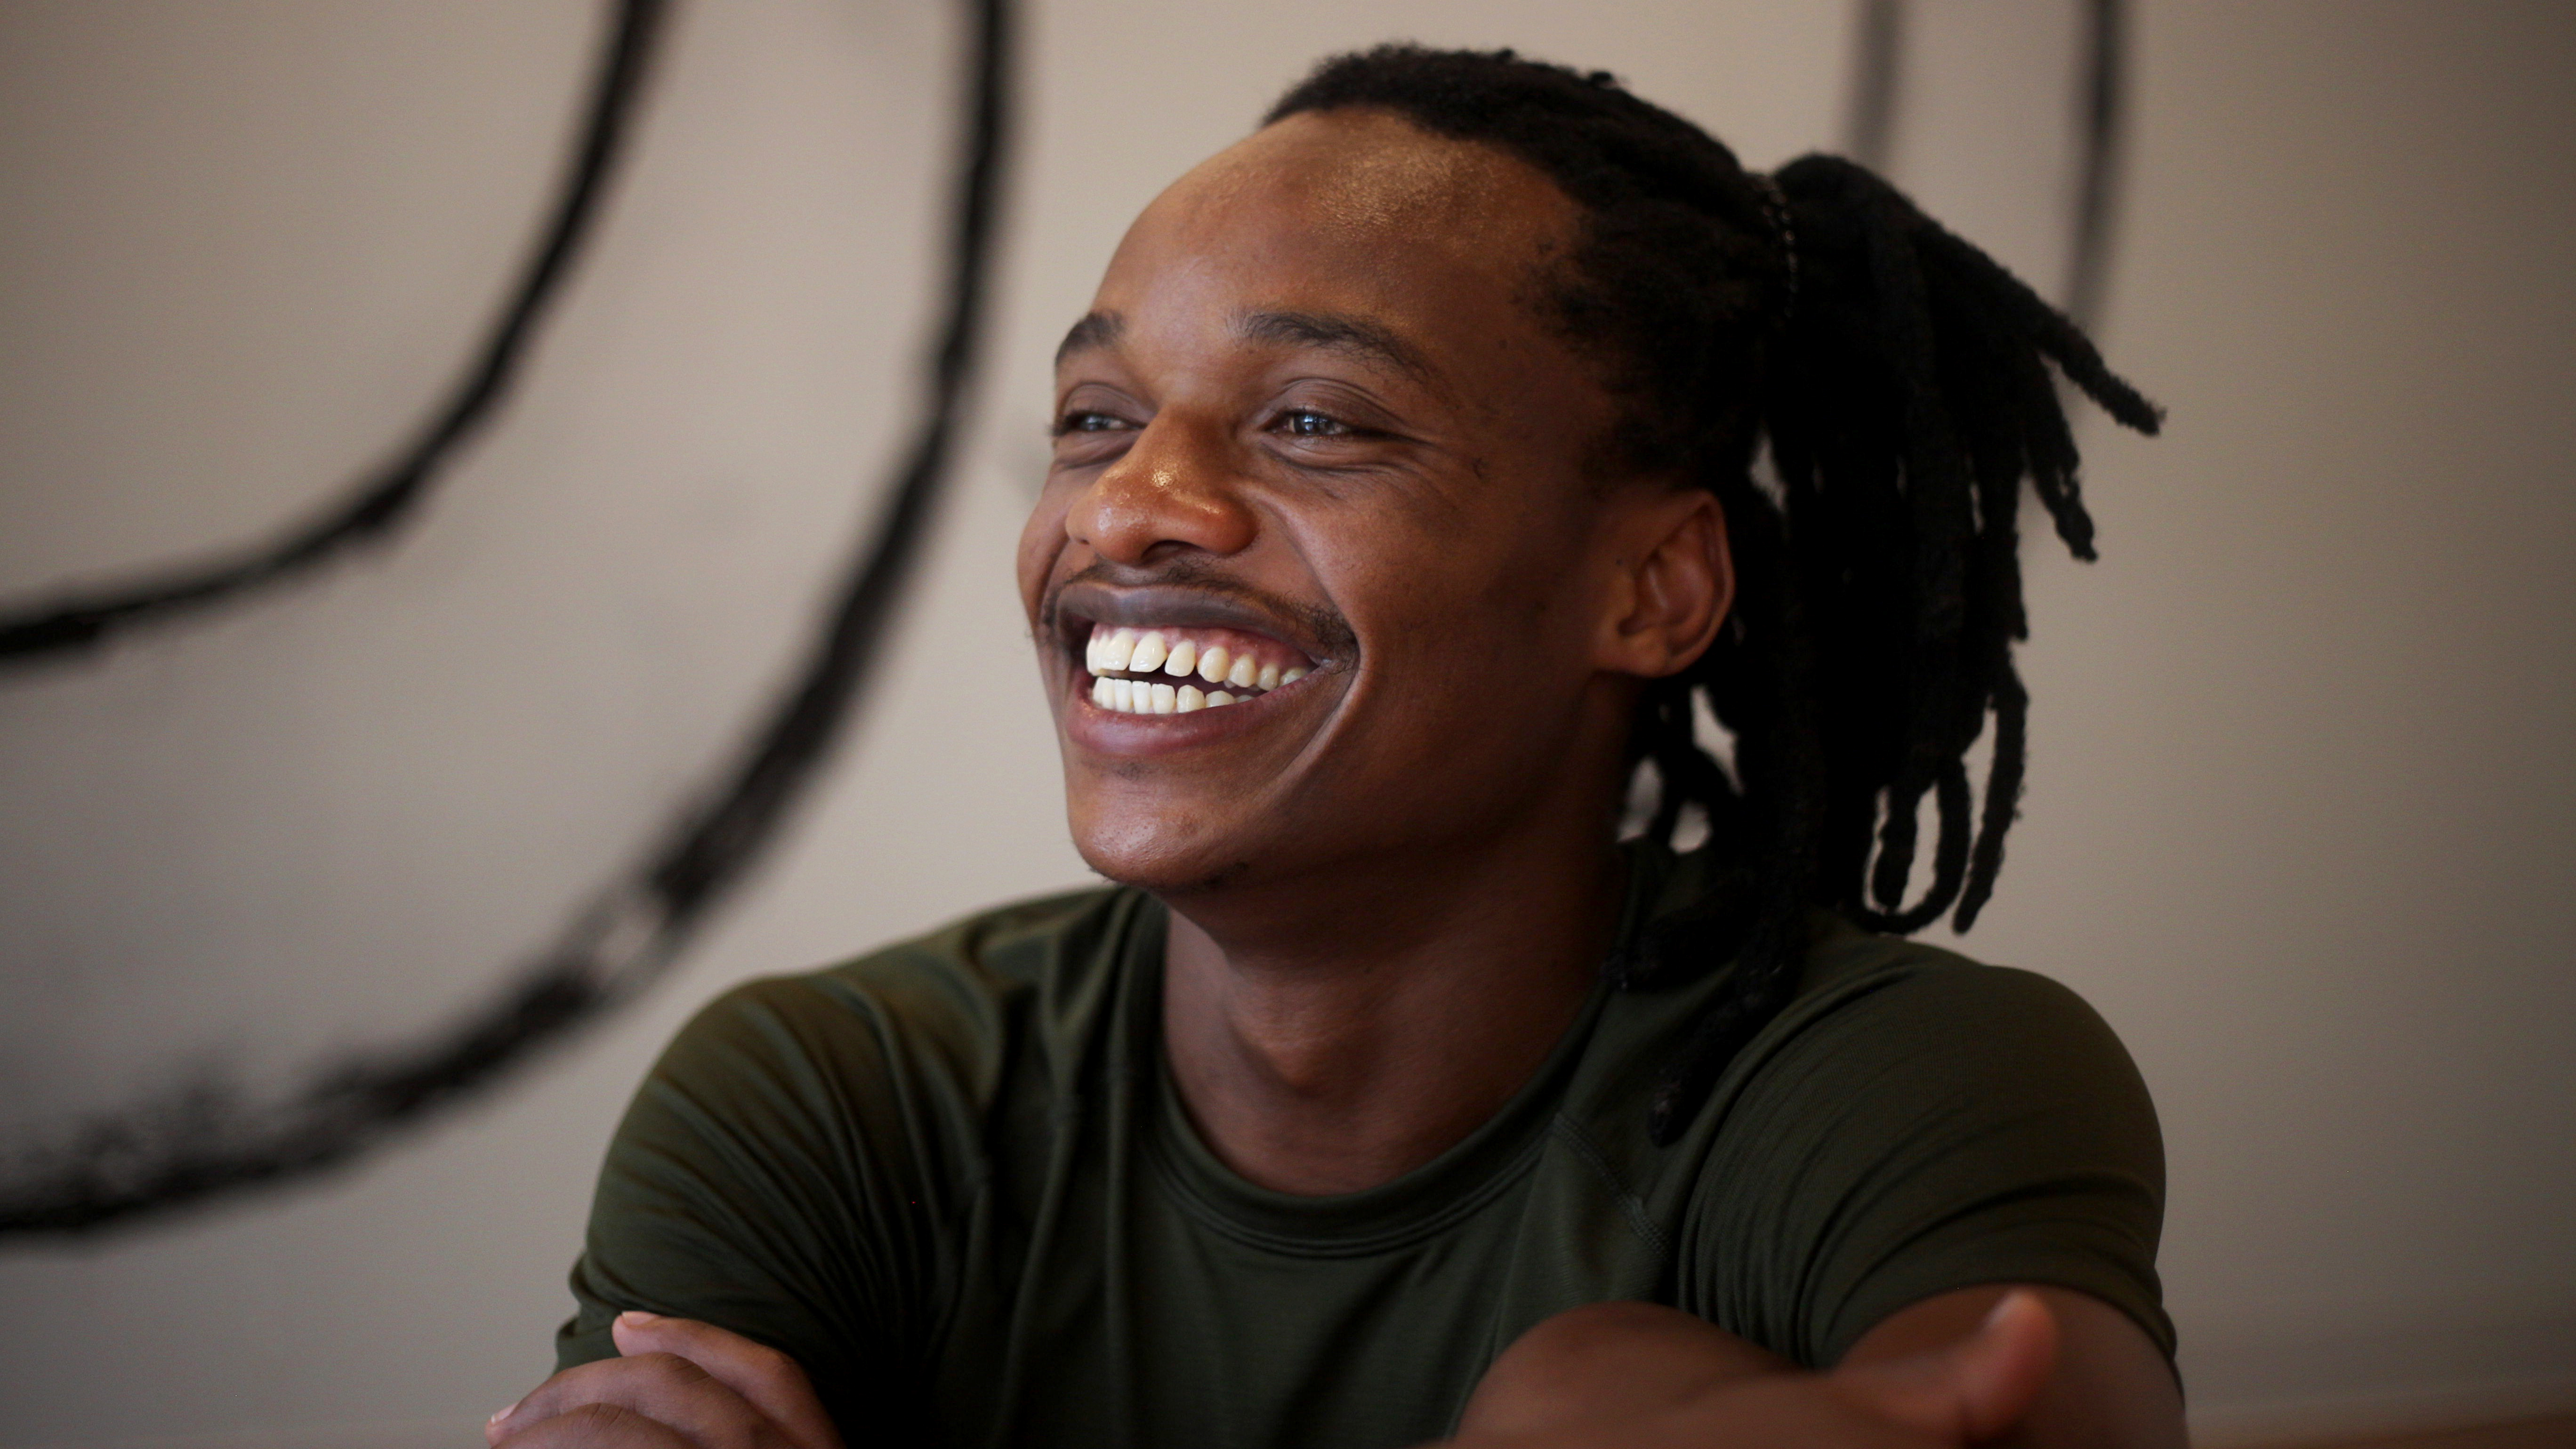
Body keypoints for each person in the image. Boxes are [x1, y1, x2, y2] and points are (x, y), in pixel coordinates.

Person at [487, 46, 2179, 1449]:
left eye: (1314, 420)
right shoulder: (827, 1100)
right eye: (1096, 418)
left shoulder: (1898, 1091)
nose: (1130, 505)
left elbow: (2033, 1406)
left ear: (1651, 588)